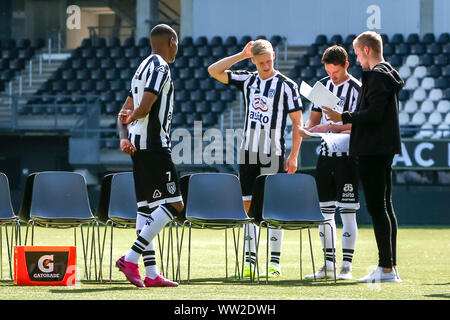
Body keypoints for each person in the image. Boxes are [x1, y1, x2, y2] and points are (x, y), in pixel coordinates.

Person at [208, 39, 303, 278]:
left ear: (274, 57)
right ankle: (250, 261)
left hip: (274, 152)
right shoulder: (248, 80)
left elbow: (297, 123)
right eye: (261, 63)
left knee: (273, 207)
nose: (267, 65)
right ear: (254, 61)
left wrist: (293, 155)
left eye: (270, 61)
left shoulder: (287, 86)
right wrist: (241, 54)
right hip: (248, 151)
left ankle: (274, 263)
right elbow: (213, 71)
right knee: (248, 206)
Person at [323, 31, 403, 283]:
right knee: (385, 207)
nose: (356, 58)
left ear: (366, 50)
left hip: (373, 149)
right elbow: (375, 112)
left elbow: (374, 114)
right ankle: (390, 266)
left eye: (357, 52)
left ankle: (386, 268)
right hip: (381, 148)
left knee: (378, 208)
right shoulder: (385, 72)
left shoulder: (377, 75)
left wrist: (343, 117)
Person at [116, 24, 183, 287]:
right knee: (175, 204)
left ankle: (152, 273)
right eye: (176, 43)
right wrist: (134, 119)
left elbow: (123, 113)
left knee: (146, 209)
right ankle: (130, 258)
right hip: (155, 146)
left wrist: (124, 136)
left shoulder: (141, 68)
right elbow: (142, 108)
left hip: (138, 147)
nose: (177, 48)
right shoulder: (159, 67)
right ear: (170, 42)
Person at [299, 45, 361, 281]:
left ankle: (346, 266)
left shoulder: (357, 89)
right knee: (324, 213)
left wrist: (335, 126)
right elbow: (314, 120)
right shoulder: (322, 86)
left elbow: (360, 123)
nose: (332, 77)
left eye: (336, 72)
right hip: (325, 154)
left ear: (346, 65)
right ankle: (328, 264)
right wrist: (306, 130)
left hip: (348, 156)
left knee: (347, 212)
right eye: (329, 72)